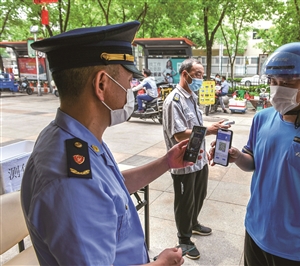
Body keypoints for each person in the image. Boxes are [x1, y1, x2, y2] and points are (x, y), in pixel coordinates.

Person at [20, 21, 195, 266]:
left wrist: (167, 162)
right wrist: (161, 264)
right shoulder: (70, 181)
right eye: (128, 79)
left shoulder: (76, 138)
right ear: (102, 84)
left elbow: (112, 189)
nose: (131, 89)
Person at [210, 42, 300, 265]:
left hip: (294, 247)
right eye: (273, 82)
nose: (277, 89)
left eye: (286, 83)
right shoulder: (262, 118)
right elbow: (252, 163)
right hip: (255, 229)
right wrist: (235, 156)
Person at [162, 58, 230, 260]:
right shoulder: (174, 101)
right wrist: (209, 130)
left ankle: (193, 224)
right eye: (198, 74)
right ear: (185, 74)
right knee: (185, 201)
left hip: (198, 159)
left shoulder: (191, 97)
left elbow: (196, 125)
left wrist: (211, 125)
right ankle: (184, 239)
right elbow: (180, 134)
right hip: (182, 162)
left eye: (202, 74)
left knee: (198, 196)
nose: (201, 78)